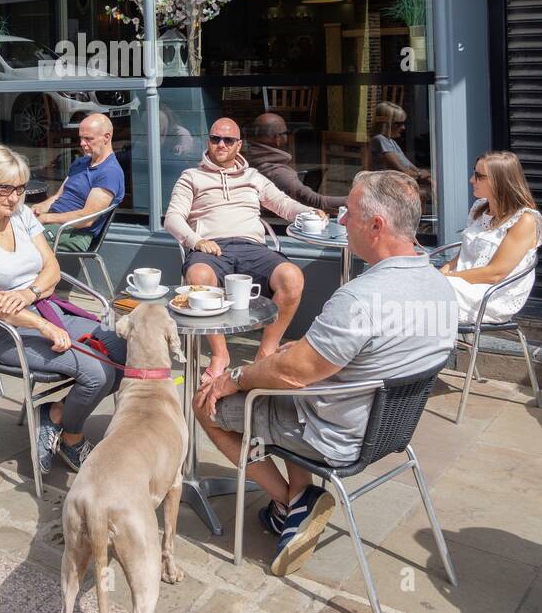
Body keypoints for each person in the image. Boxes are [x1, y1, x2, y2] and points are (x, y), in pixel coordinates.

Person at [193, 171, 457, 576]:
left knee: (206, 402)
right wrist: (293, 354)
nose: (341, 221)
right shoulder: (439, 286)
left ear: (376, 225)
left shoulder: (360, 298)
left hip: (332, 434)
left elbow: (295, 376)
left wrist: (237, 377)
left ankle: (292, 502)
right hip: (389, 429)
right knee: (287, 378)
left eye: (348, 213)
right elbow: (352, 355)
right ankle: (296, 501)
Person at [0, 144, 127, 474]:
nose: (14, 198)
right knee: (97, 372)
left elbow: (53, 269)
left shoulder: (20, 218)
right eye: (5, 188)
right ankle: (72, 439)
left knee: (125, 348)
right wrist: (42, 326)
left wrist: (30, 292)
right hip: (5, 331)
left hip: (44, 309)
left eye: (20, 188)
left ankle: (55, 415)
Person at [164, 117, 313, 378]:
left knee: (292, 277)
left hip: (251, 246)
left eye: (228, 140)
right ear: (208, 141)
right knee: (199, 277)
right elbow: (173, 218)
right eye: (215, 139)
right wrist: (196, 241)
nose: (221, 144)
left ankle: (266, 351)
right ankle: (220, 354)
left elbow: (282, 203)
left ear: (239, 145)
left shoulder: (253, 177)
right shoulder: (191, 177)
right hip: (210, 247)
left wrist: (309, 213)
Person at [438, 151, 541, 323]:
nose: (472, 180)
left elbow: (495, 274)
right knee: (415, 288)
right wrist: (439, 273)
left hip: (491, 296)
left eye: (479, 176)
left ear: (499, 181)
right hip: (463, 286)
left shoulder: (524, 220)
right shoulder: (479, 209)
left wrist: (446, 279)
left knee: (419, 297)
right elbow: (462, 256)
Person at [32, 114, 124, 252]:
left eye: (88, 139)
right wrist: (37, 209)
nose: (81, 143)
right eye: (81, 138)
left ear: (106, 137)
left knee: (19, 239)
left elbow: (86, 219)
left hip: (75, 232)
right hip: (55, 223)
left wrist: (46, 218)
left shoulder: (109, 173)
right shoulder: (80, 163)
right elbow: (58, 197)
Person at [248, 113, 346, 212]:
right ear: (277, 139)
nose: (288, 136)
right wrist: (350, 199)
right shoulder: (278, 173)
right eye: (286, 133)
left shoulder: (248, 162)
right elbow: (316, 201)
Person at [370, 102, 431, 188]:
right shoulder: (380, 140)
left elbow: (410, 167)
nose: (403, 128)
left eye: (404, 123)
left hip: (396, 183)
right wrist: (421, 174)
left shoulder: (391, 142)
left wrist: (425, 175)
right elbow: (401, 170)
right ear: (385, 123)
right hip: (385, 186)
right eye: (398, 124)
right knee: (422, 194)